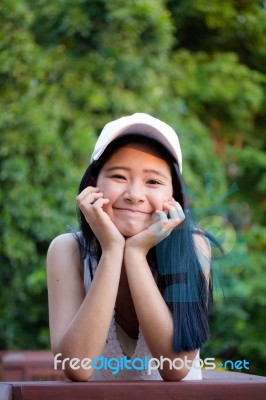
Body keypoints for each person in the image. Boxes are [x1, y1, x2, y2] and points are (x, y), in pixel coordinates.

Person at [47, 113, 213, 381]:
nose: (135, 195)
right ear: (93, 184)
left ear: (173, 196)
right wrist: (112, 250)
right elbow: (76, 366)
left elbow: (175, 367)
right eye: (119, 176)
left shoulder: (194, 246)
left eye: (153, 182)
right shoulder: (67, 251)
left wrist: (135, 254)